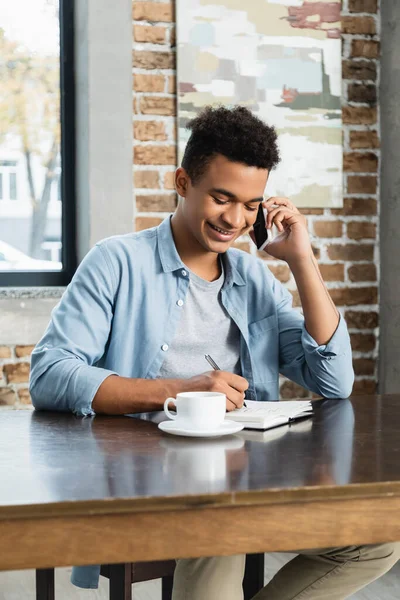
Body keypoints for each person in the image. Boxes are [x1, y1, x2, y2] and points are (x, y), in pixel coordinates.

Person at [29, 105, 399, 598]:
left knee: (374, 542)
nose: (235, 220)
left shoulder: (253, 280)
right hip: (153, 483)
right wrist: (179, 392)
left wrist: (302, 260)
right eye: (221, 198)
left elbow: (334, 382)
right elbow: (50, 375)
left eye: (251, 205)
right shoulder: (116, 262)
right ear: (183, 182)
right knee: (221, 530)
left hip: (245, 479)